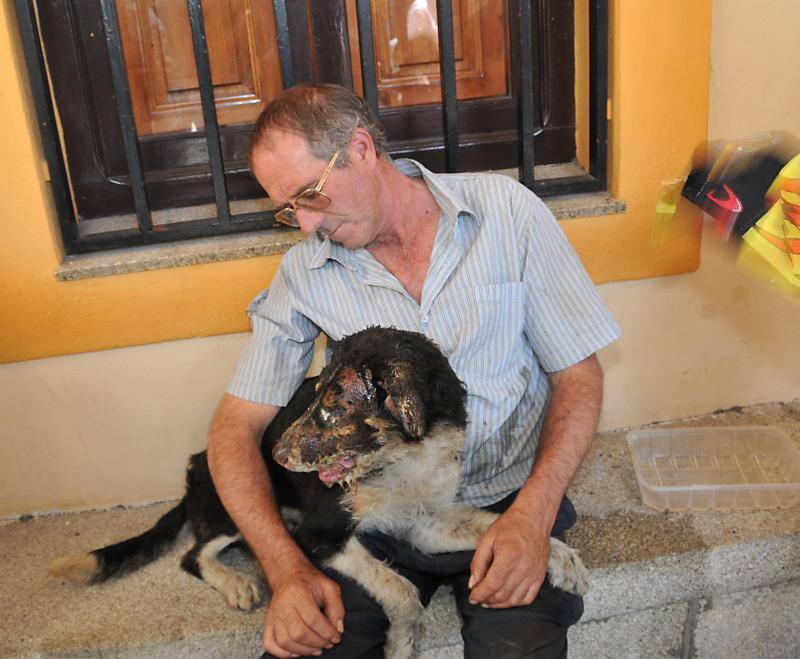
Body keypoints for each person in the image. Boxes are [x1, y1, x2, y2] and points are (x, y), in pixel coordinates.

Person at [207, 83, 621, 659]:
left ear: (359, 149)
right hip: (377, 513)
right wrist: (285, 570)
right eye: (288, 209)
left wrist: (535, 513)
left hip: (505, 499)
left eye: (310, 195)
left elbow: (578, 373)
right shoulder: (306, 273)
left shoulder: (505, 212)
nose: (304, 225)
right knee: (316, 647)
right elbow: (234, 430)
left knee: (518, 650)